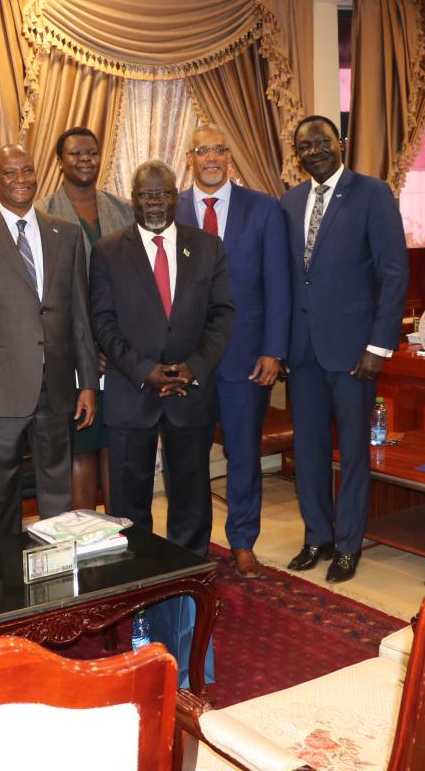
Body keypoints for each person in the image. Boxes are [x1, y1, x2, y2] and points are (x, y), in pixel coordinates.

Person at [0, 143, 100, 537]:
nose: (21, 180)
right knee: (1, 498)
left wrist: (88, 383)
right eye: (10, 173)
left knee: (57, 493)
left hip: (59, 387)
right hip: (0, 394)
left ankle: (58, 570)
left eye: (27, 171)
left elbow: (79, 315)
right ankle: (6, 583)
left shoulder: (65, 234)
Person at [281, 115, 408, 583]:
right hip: (303, 351)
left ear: (342, 143)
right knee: (308, 449)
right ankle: (317, 536)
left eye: (322, 142)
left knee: (352, 452)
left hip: (356, 352)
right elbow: (289, 277)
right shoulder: (290, 201)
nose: (313, 151)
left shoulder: (373, 194)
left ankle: (350, 544)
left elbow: (394, 273)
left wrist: (379, 344)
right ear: (296, 154)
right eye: (304, 146)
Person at [90, 159, 235, 556]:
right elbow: (102, 321)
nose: (154, 202)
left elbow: (222, 314)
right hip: (131, 392)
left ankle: (188, 574)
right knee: (128, 501)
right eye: (145, 195)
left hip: (190, 393)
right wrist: (143, 371)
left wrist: (196, 368)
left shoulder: (207, 246)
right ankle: (137, 574)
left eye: (163, 194)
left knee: (190, 494)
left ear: (176, 196)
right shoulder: (107, 251)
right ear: (132, 200)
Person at [175, 124, 290, 578]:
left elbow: (278, 284)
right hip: (187, 360)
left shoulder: (262, 209)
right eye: (202, 150)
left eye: (219, 149)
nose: (211, 157)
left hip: (247, 356)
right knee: (189, 457)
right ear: (190, 158)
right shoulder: (172, 206)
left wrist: (273, 351)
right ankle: (194, 544)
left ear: (229, 157)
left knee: (243, 455)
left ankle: (243, 543)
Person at [37, 126, 136, 511]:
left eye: (92, 153)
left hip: (121, 353)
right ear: (60, 161)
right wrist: (86, 349)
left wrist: (117, 344)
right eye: (76, 154)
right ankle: (84, 542)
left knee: (117, 444)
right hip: (75, 356)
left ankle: (121, 532)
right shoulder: (45, 214)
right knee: (83, 446)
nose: (85, 160)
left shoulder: (123, 209)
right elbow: (48, 295)